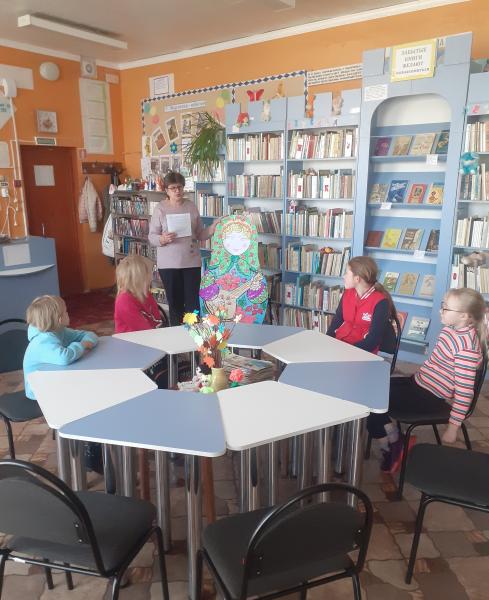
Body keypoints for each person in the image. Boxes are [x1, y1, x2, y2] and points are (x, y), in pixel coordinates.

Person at [368, 288, 486, 472]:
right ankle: (394, 438)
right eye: (442, 306)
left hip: (429, 397)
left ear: (464, 316)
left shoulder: (466, 349)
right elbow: (436, 365)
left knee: (372, 399)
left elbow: (465, 393)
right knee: (371, 389)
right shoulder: (449, 330)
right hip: (418, 384)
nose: (441, 310)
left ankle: (391, 444)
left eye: (446, 308)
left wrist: (453, 428)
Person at [23, 295, 102, 473]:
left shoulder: (60, 331)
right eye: (66, 311)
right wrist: (83, 346)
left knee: (89, 398)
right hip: (39, 393)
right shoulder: (42, 341)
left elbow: (88, 335)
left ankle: (90, 447)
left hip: (56, 384)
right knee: (87, 404)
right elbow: (64, 357)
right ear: (59, 319)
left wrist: (85, 342)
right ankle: (88, 450)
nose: (68, 313)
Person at [148, 171, 217, 325]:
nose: (177, 191)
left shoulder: (191, 206)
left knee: (193, 305)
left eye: (180, 187)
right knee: (175, 305)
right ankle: (176, 336)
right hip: (169, 265)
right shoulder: (160, 208)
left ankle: (194, 335)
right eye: (173, 188)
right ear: (166, 190)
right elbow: (152, 237)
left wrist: (212, 228)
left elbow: (200, 234)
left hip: (191, 262)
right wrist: (162, 239)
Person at [114, 254, 167, 388]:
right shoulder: (124, 300)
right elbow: (145, 331)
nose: (151, 276)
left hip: (147, 344)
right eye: (149, 273)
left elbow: (157, 321)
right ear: (139, 278)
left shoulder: (145, 294)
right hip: (132, 350)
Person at [326, 256, 396, 354]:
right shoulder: (347, 294)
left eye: (346, 273)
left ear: (357, 279)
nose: (344, 276)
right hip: (341, 345)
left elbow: (373, 340)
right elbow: (337, 320)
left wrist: (347, 351)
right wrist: (327, 341)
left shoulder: (381, 303)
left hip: (362, 352)